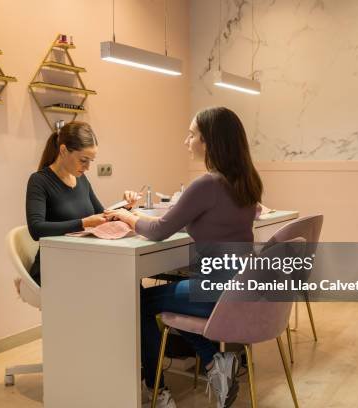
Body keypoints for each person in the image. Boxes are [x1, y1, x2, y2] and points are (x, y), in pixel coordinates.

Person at [105, 107, 263, 408]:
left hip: (214, 293)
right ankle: (214, 361)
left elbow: (159, 231)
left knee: (138, 300)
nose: (185, 141)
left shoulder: (207, 184)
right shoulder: (246, 181)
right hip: (241, 287)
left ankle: (157, 385)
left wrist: (126, 216)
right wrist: (138, 215)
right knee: (166, 298)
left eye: (192, 135)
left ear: (209, 142)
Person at [26, 121, 139, 285]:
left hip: (81, 260)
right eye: (83, 160)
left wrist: (124, 207)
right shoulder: (39, 181)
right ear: (63, 150)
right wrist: (83, 223)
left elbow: (102, 216)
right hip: (53, 267)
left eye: (91, 161)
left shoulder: (81, 179)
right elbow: (36, 229)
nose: (87, 167)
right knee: (119, 281)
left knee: (128, 278)